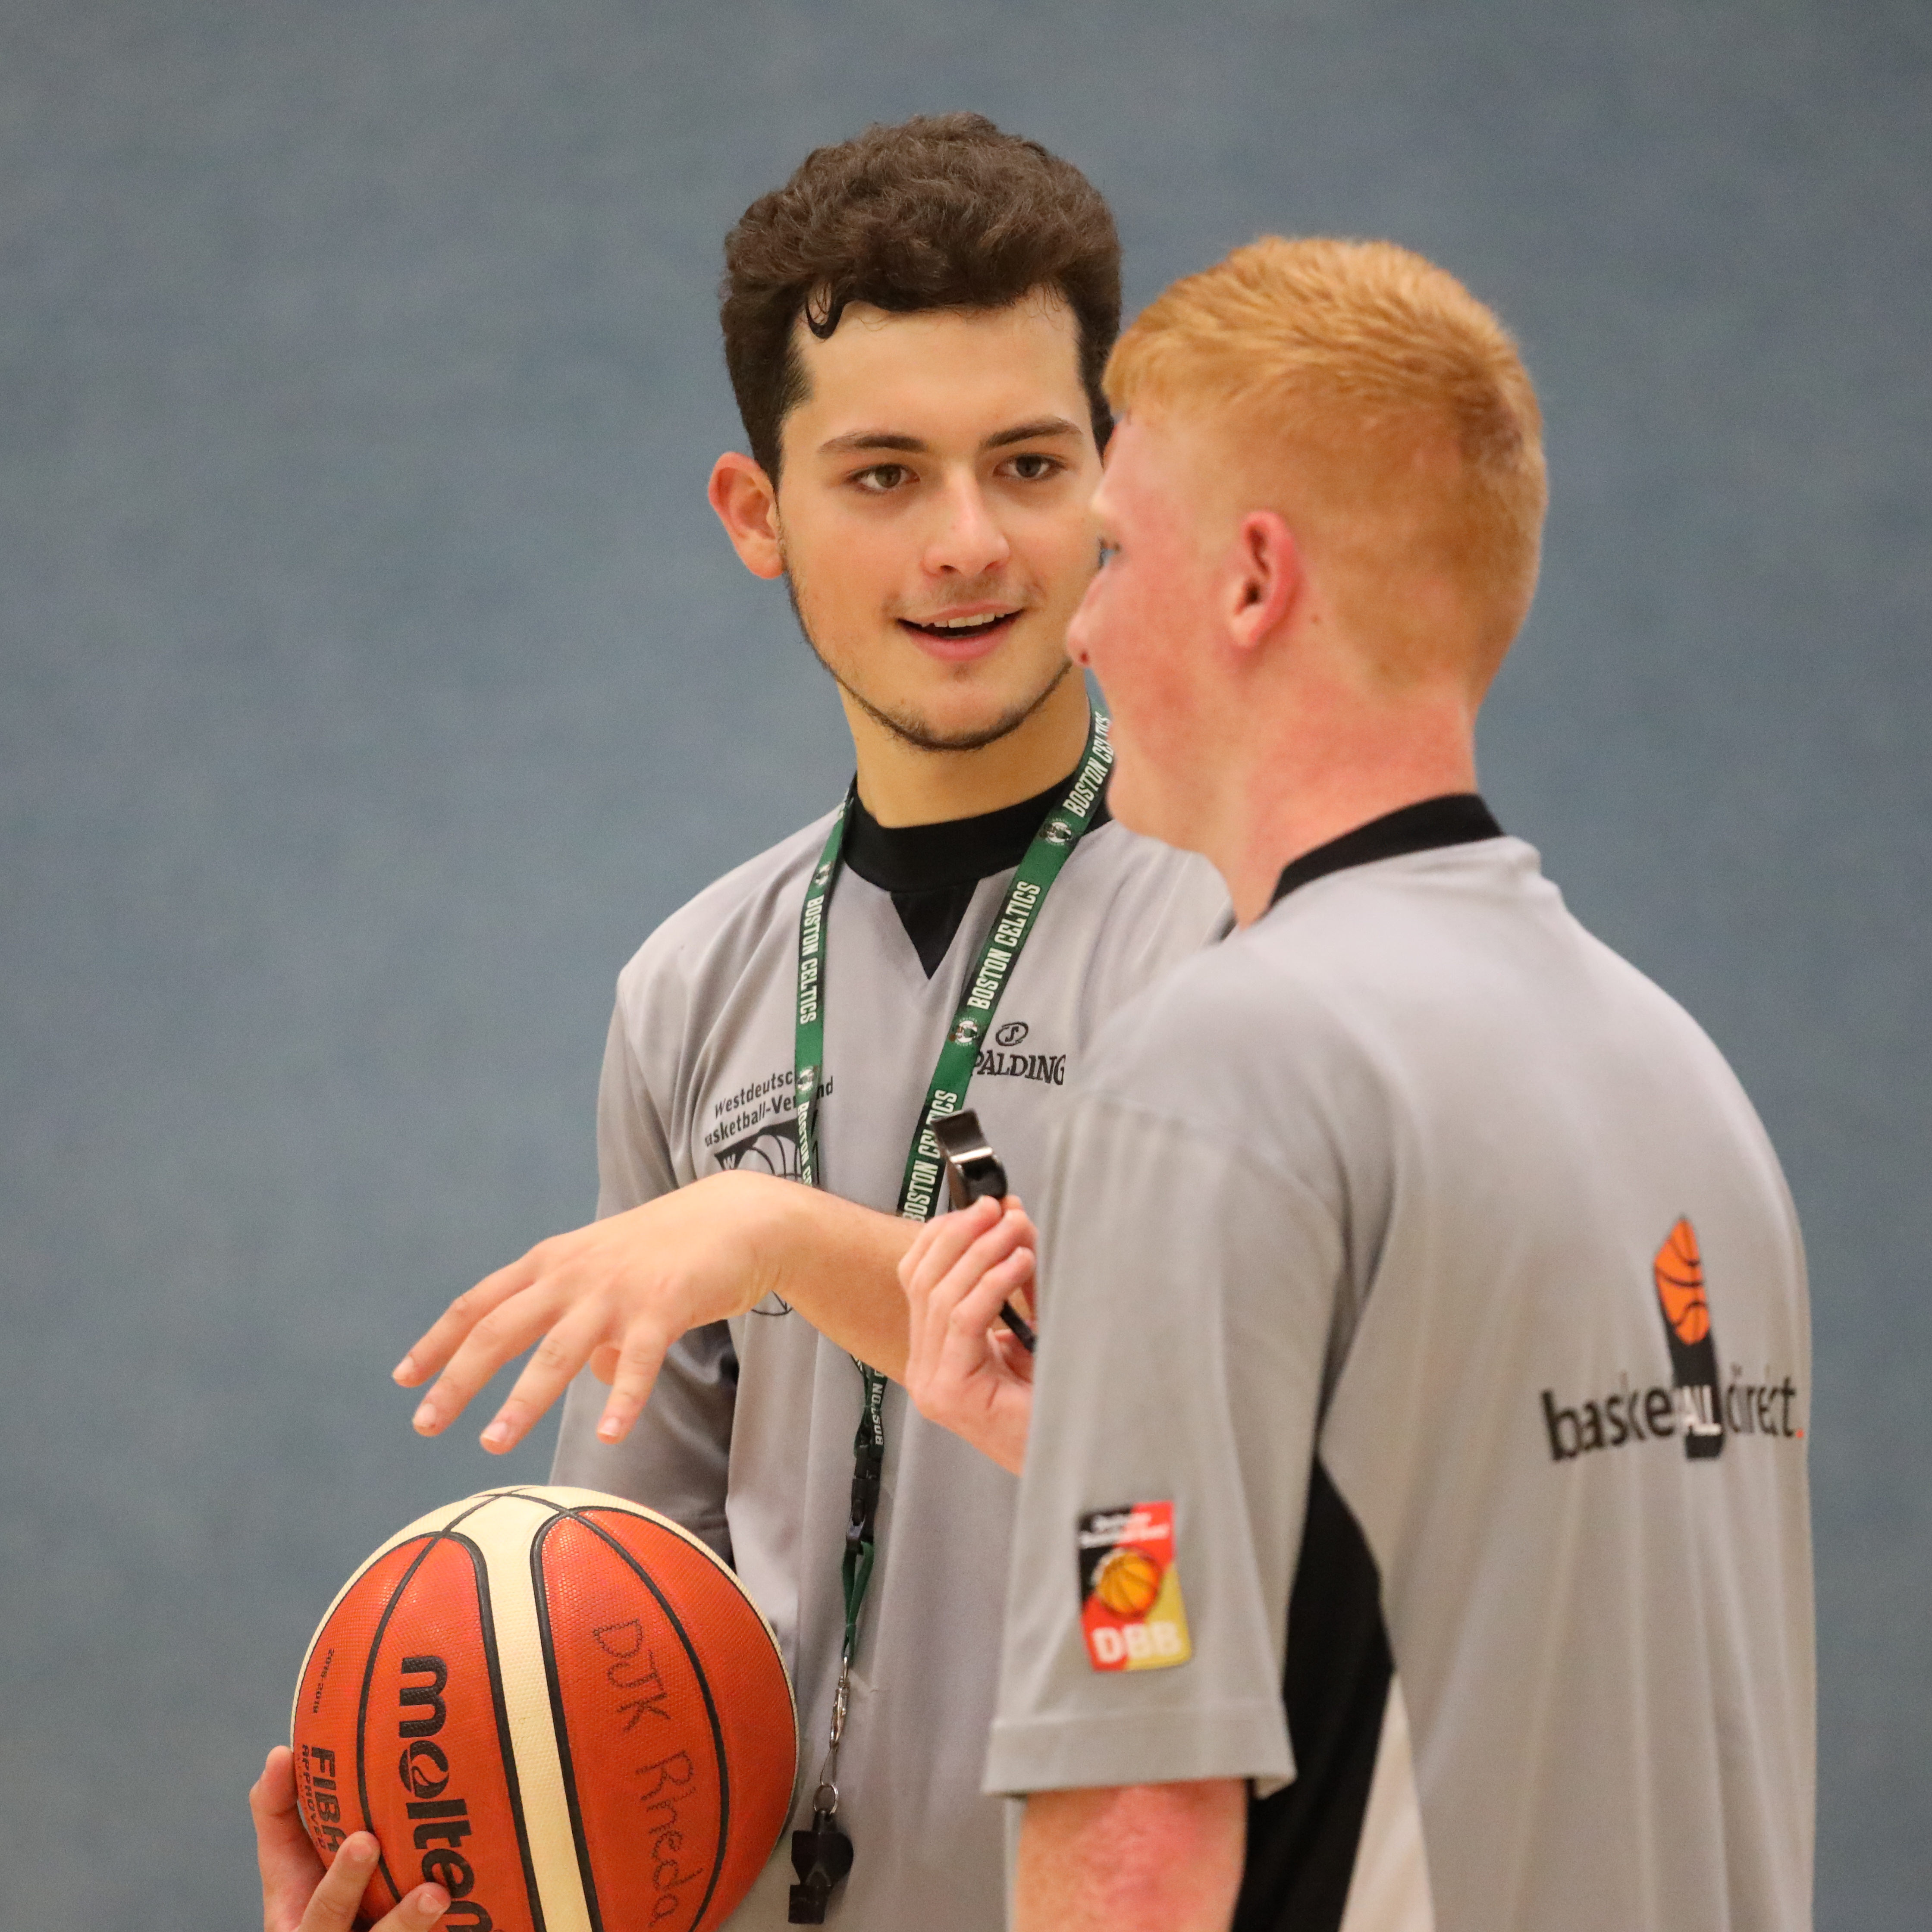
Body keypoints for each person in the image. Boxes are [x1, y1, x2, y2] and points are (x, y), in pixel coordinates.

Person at [254, 115, 1227, 1932]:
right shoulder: (692, 987)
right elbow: (623, 1622)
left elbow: (1228, 1472)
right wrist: (488, 1865)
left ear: (1113, 480)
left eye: (1027, 463)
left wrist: (775, 1232)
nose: (966, 543)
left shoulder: (1249, 931)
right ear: (757, 514)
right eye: (882, 475)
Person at [898, 237, 1815, 1932]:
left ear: (1254, 581)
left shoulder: (1215, 1075)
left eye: (1114, 553)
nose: (1078, 627)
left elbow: (1135, 1839)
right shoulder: (1686, 1085)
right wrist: (1104, 1446)